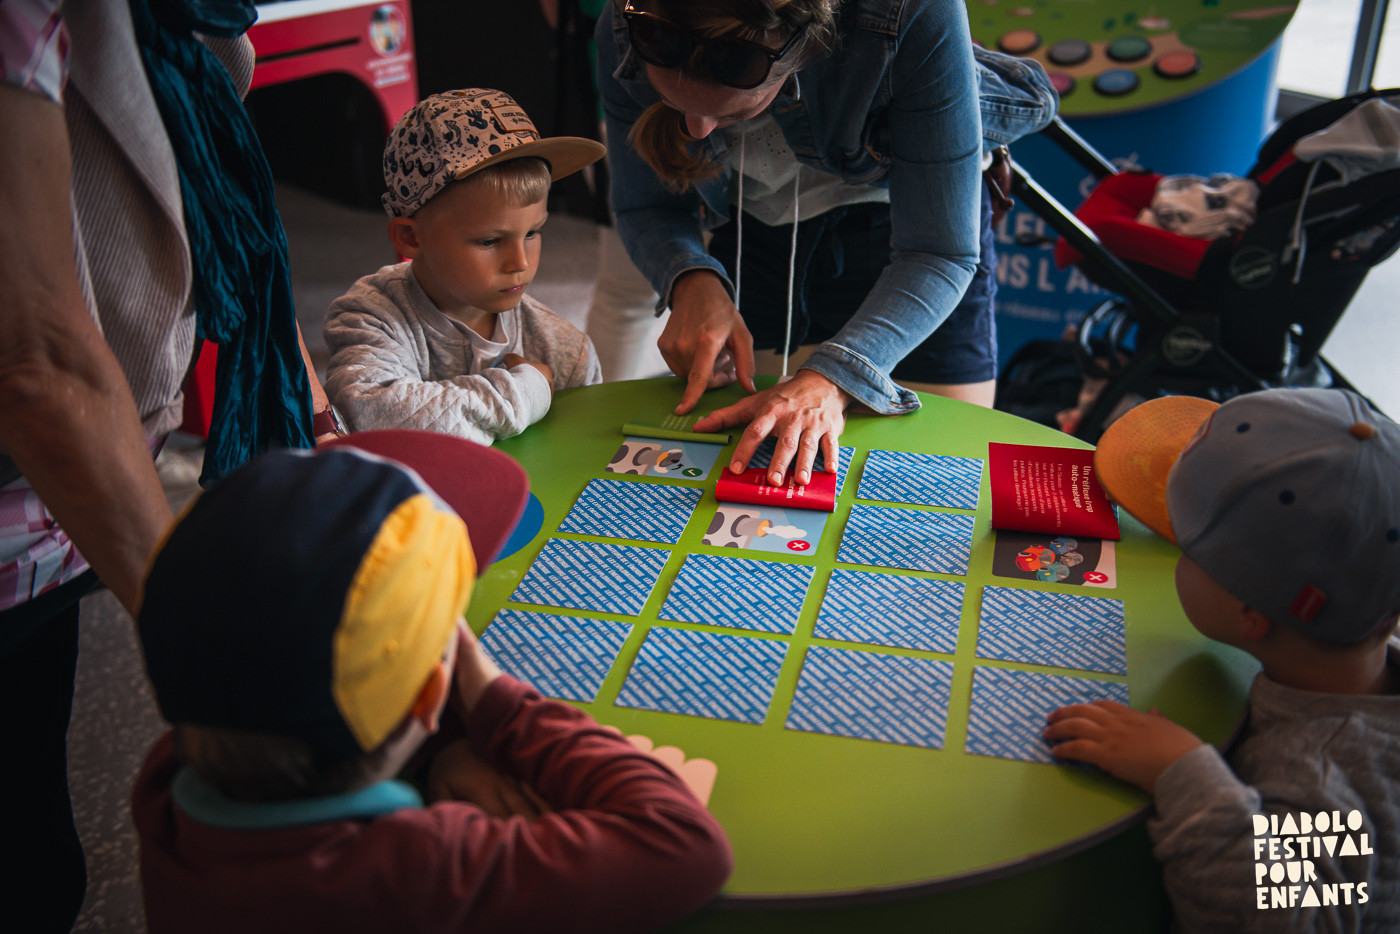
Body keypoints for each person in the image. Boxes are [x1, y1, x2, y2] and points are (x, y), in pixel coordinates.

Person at [0, 2, 335, 927]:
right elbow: (36, 366)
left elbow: (229, 230)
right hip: (40, 484)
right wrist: (212, 651)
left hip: (54, 530)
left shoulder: (183, 17)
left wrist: (303, 395)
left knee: (32, 840)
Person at [131, 440, 733, 932]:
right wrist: (497, 701)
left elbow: (282, 679)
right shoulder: (421, 874)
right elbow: (682, 844)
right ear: (430, 695)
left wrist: (442, 745)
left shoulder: (165, 784)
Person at [595, 0, 1056, 487]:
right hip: (760, 232)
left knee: (937, 481)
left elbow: (939, 251)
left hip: (916, 243)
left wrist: (835, 377)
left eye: (727, 111)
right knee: (763, 465)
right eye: (673, 102)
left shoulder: (913, 9)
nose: (696, 130)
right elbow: (646, 205)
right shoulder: (629, 18)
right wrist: (691, 277)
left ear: (798, 51)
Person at [1044, 388, 1400, 932]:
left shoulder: (1320, 770)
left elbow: (1292, 920)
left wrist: (1183, 773)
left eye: (1184, 546)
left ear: (1250, 614)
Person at [324, 88, 606, 445]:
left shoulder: (565, 351)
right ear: (410, 237)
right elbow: (372, 421)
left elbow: (589, 449)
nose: (520, 262)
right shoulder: (368, 316)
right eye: (489, 241)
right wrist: (526, 391)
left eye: (533, 232)